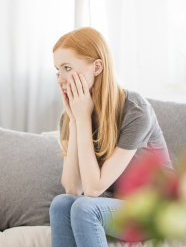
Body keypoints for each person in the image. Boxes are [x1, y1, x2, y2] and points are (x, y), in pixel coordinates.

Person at [49, 27, 175, 246]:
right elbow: (72, 188)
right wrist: (77, 121)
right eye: (58, 70)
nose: (61, 79)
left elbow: (93, 189)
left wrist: (84, 119)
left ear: (97, 67)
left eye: (67, 68)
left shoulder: (135, 110)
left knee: (84, 207)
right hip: (115, 206)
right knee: (61, 203)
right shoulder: (71, 116)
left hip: (156, 210)